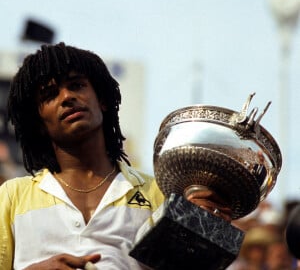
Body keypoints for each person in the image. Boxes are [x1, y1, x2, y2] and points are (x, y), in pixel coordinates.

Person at [0, 42, 232, 270]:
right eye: (50, 94)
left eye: (77, 85)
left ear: (102, 100)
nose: (67, 97)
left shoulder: (159, 194)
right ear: (39, 123)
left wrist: (206, 232)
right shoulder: (12, 196)